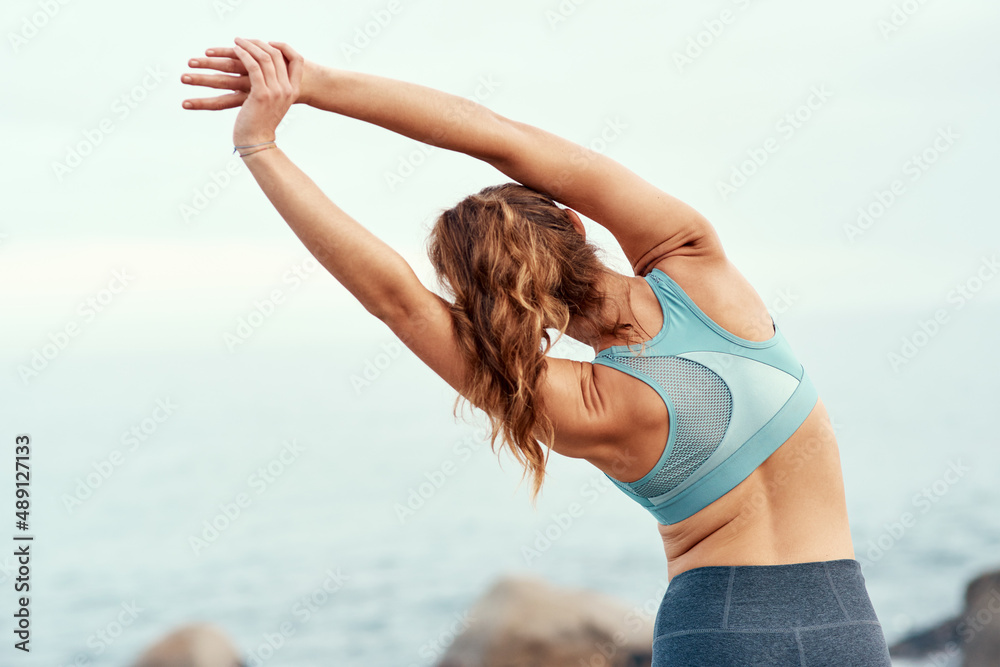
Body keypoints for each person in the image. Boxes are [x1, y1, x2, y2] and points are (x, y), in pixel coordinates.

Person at [181, 37, 893, 666]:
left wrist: (259, 148)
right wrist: (311, 82)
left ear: (484, 306)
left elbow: (395, 299)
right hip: (844, 621)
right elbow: (500, 136)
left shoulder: (577, 402)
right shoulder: (695, 262)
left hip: (715, 632)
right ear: (576, 222)